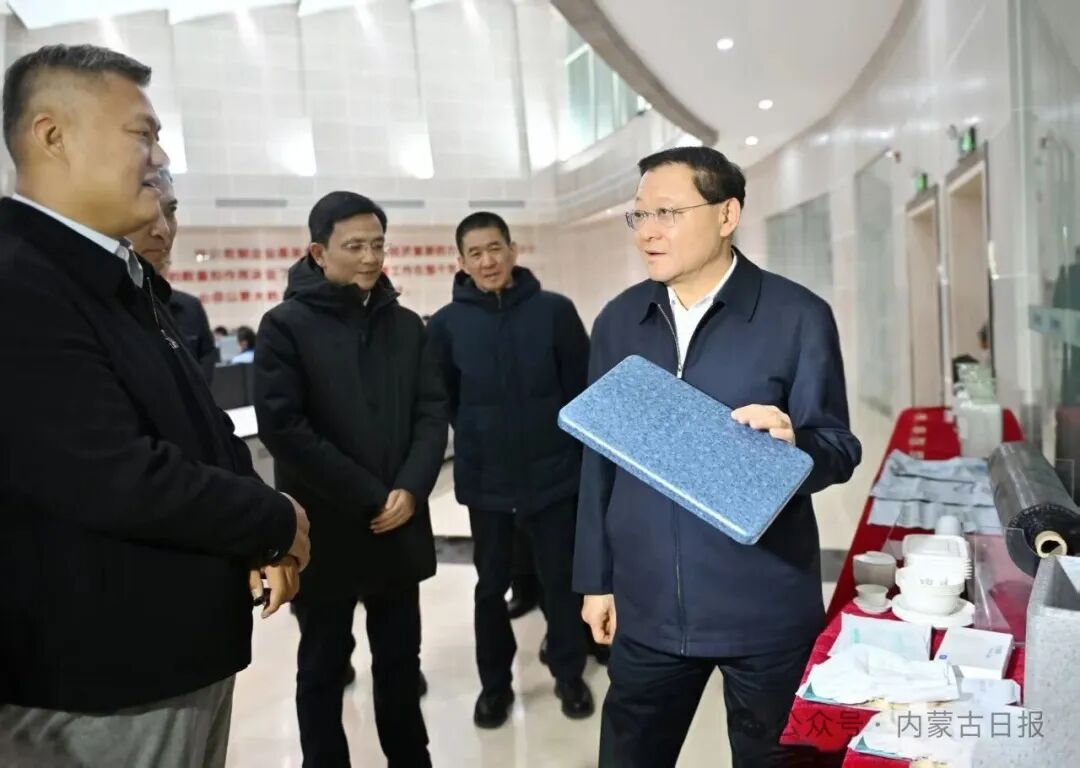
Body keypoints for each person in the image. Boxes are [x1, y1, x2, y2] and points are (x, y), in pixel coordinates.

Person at [0, 44, 310, 768]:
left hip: (174, 661)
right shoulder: (20, 282)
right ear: (53, 135)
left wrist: (259, 536)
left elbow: (201, 430)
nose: (160, 156)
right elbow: (111, 474)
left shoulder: (114, 276)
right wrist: (276, 519)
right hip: (104, 686)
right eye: (142, 134)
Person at [575, 147, 862, 768]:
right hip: (648, 606)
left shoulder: (797, 316)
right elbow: (599, 462)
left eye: (668, 213)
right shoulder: (619, 322)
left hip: (764, 608)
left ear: (727, 215)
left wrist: (795, 447)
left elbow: (839, 446)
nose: (647, 231)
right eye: (640, 215)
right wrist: (596, 579)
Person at [255, 191, 447, 768]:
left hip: (398, 525)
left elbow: (431, 413)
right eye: (355, 246)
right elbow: (284, 428)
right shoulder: (285, 327)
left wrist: (411, 488)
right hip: (327, 528)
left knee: (401, 665)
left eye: (377, 245)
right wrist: (372, 494)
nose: (370, 257)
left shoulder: (406, 326)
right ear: (318, 253)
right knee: (322, 666)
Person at [427, 212, 594, 729]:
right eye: (475, 253)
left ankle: (569, 673)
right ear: (461, 262)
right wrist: (482, 438)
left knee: (561, 582)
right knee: (489, 588)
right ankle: (494, 686)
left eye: (495, 248)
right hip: (488, 483)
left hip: (555, 476)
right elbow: (446, 400)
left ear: (513, 250)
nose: (487, 261)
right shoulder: (446, 325)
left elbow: (581, 391)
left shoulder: (554, 312)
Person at [126, 167, 217, 381]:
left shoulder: (186, 306)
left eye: (171, 211)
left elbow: (207, 356)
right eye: (145, 211)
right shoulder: (95, 308)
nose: (163, 230)